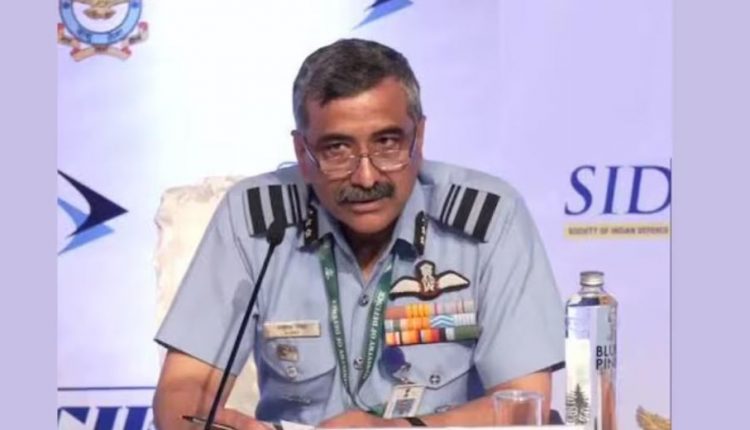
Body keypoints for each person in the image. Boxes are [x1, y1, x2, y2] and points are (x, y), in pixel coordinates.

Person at [153, 38, 564, 430]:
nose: (366, 178)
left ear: (419, 137)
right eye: (337, 149)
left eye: (387, 143)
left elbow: (524, 404)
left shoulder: (490, 218)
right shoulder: (256, 220)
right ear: (302, 153)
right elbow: (183, 387)